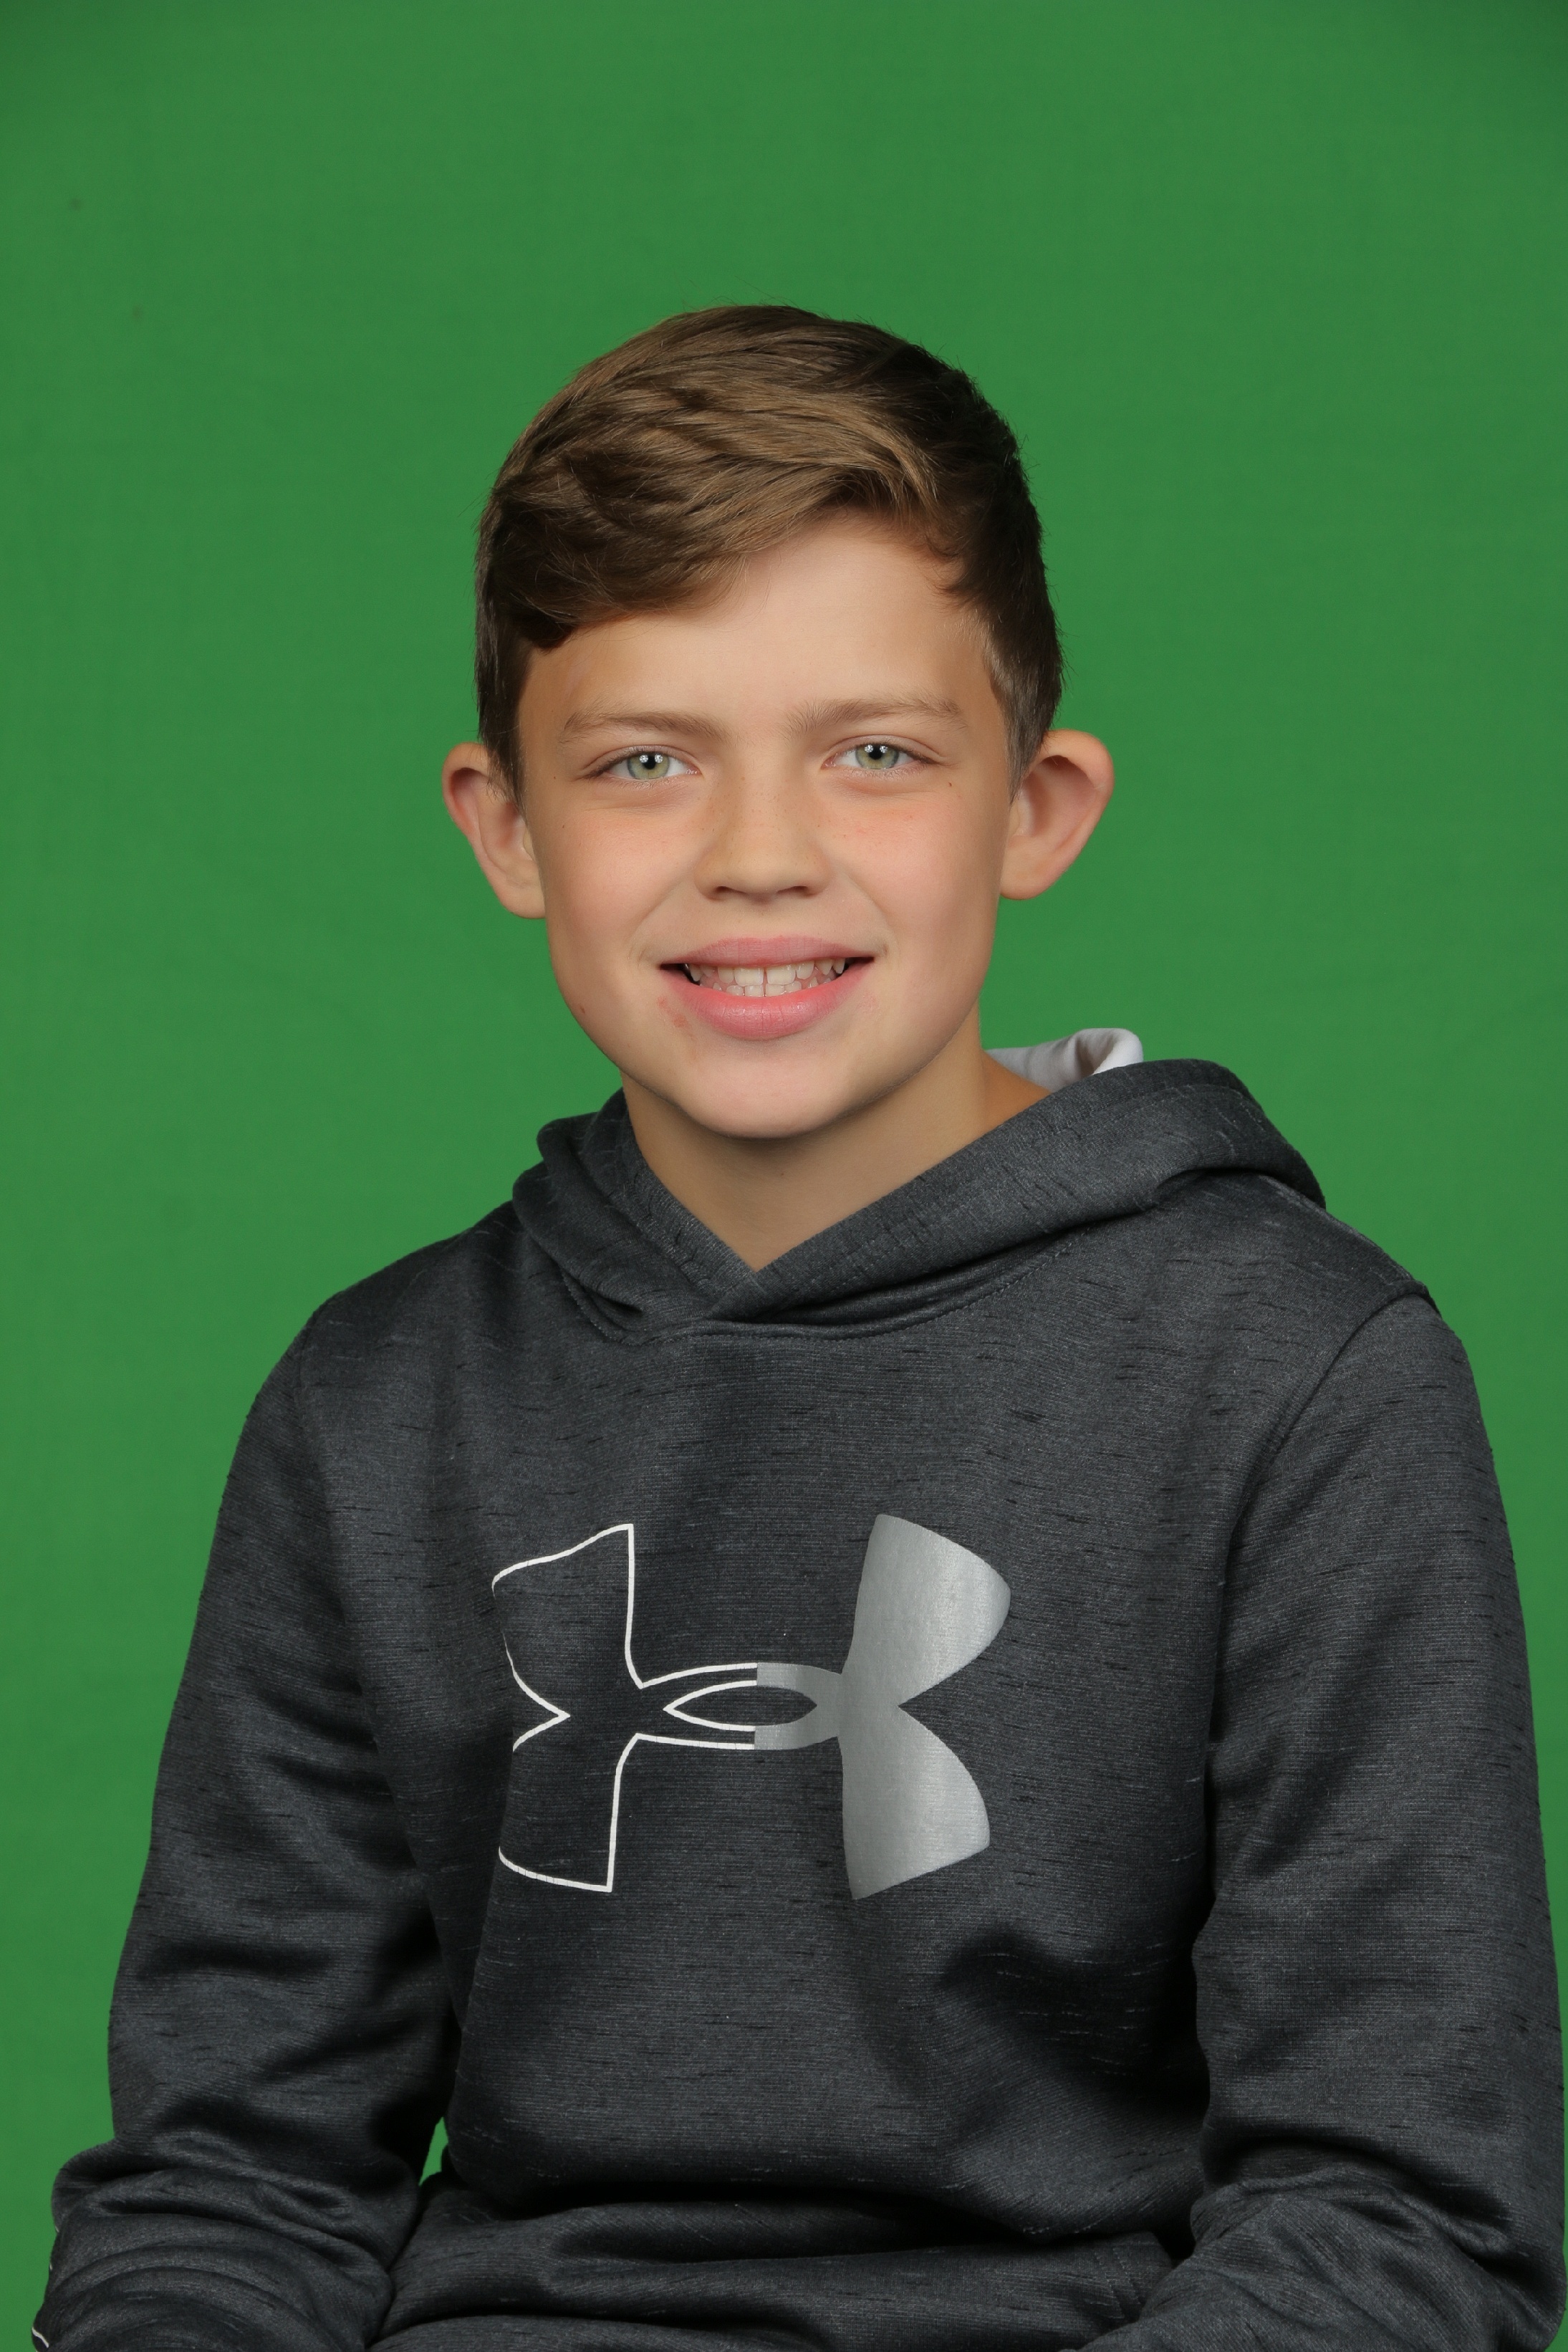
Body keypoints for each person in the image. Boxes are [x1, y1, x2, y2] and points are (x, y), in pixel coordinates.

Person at [37, 306, 1562, 2352]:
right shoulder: (374, 1404)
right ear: (507, 826)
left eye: (877, 753)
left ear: (1038, 805)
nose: (760, 857)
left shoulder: (1302, 1375)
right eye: (646, 761)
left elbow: (1404, 2215)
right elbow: (233, 2185)